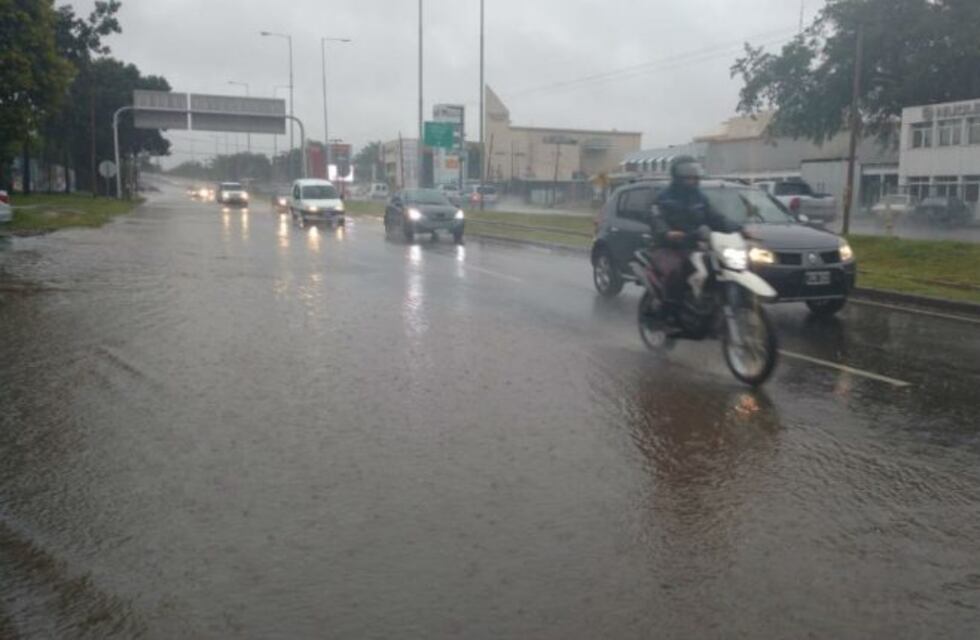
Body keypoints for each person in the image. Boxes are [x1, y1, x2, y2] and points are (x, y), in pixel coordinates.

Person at [651, 156, 740, 302]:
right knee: (675, 272)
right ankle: (669, 312)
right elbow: (656, 219)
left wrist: (740, 229)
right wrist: (667, 233)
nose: (692, 180)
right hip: (668, 247)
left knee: (718, 266)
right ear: (677, 177)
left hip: (694, 245)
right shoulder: (663, 198)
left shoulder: (700, 198)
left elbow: (716, 218)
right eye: (688, 177)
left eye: (694, 176)